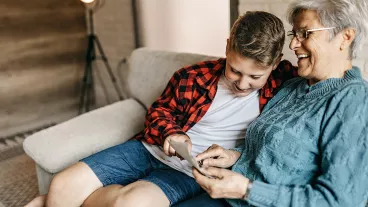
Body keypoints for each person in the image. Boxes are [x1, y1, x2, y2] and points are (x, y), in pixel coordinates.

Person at [26, 11, 298, 207]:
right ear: (227, 48)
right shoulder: (193, 76)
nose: (242, 83)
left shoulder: (285, 82)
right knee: (62, 184)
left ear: (275, 64)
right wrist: (172, 133)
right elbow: (158, 112)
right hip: (148, 149)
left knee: (131, 203)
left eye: (255, 77)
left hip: (190, 171)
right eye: (235, 71)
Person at [181, 0, 368, 207]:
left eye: (305, 34)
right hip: (226, 196)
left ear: (345, 37)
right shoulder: (292, 86)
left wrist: (247, 190)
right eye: (294, 34)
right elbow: (273, 156)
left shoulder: (355, 100)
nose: (293, 45)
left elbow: (341, 201)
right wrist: (233, 155)